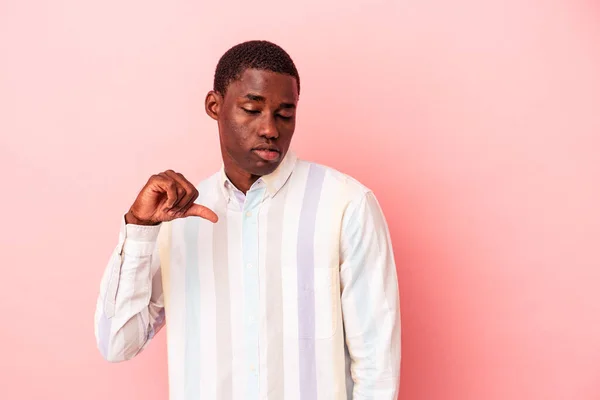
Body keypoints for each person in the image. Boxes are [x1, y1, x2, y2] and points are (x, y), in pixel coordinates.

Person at [94, 40, 401, 400]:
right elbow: (117, 343)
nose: (270, 128)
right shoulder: (176, 218)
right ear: (215, 106)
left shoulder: (346, 205)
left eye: (285, 114)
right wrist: (140, 229)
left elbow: (376, 365)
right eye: (252, 109)